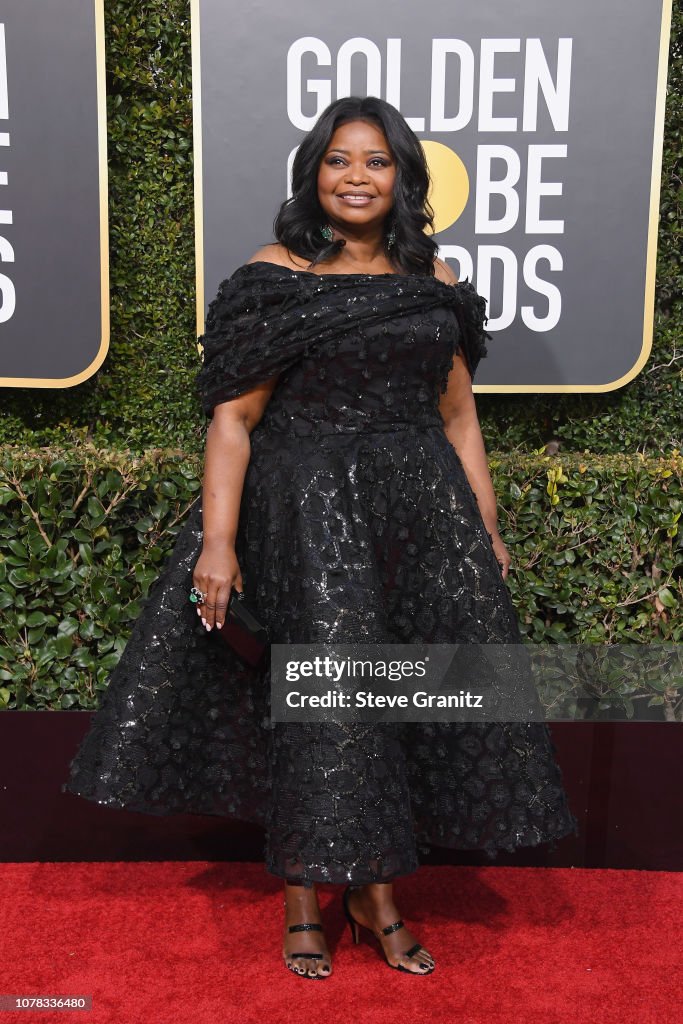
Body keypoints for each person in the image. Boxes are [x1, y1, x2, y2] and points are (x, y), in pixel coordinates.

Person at [62, 96, 578, 980]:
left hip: (417, 520)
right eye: (339, 160)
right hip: (307, 520)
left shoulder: (437, 280)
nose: (356, 177)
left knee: (400, 702)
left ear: (404, 178)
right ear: (313, 173)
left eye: (375, 162)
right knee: (323, 704)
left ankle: (373, 891)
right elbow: (233, 419)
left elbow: (459, 418)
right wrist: (217, 543)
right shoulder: (275, 276)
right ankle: (310, 892)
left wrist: (482, 531)